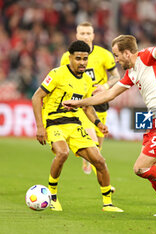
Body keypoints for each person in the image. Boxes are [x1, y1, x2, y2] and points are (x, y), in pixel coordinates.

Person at [63, 33, 156, 217]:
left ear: (127, 53)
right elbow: (109, 95)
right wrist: (78, 103)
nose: (116, 60)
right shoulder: (132, 73)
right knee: (150, 169)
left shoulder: (146, 57)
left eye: (117, 55)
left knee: (141, 168)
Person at [32, 40, 123, 212]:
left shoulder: (87, 80)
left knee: (99, 161)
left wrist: (98, 123)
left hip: (74, 124)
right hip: (53, 122)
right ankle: (52, 197)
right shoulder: (57, 73)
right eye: (78, 58)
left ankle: (108, 204)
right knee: (62, 153)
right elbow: (37, 97)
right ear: (70, 58)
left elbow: (87, 107)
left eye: (85, 59)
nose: (82, 62)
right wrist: (40, 127)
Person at [60, 22, 120, 175]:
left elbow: (116, 76)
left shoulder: (104, 55)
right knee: (92, 141)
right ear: (76, 35)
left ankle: (89, 160)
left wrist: (105, 87)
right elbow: (64, 79)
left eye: (88, 33)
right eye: (82, 33)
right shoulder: (67, 57)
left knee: (99, 142)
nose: (85, 36)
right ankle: (104, 180)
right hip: (82, 104)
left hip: (100, 102)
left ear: (93, 35)